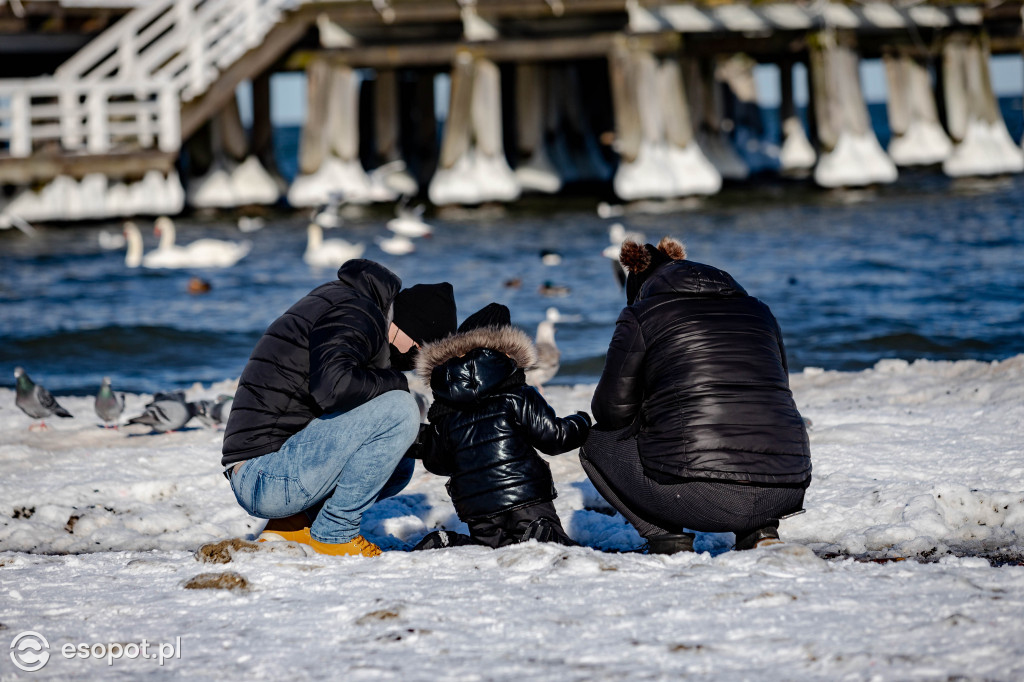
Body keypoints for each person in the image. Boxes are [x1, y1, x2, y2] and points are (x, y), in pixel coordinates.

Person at [580, 238, 811, 554]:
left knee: (596, 442)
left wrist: (651, 410)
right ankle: (760, 531)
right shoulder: (760, 311)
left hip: (703, 497)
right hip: (785, 490)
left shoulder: (642, 314)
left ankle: (667, 538)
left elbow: (609, 411)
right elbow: (776, 389)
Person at [221, 260, 457, 557]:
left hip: (262, 469)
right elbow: (333, 387)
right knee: (401, 407)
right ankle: (334, 533)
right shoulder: (357, 313)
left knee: (400, 459)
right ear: (410, 330)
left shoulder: (352, 303)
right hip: (262, 476)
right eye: (418, 352)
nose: (412, 362)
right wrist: (396, 381)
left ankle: (292, 524)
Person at [409, 303, 591, 550]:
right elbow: (554, 438)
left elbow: (437, 462)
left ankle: (450, 543)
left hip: (475, 506)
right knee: (554, 543)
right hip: (525, 497)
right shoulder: (517, 394)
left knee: (488, 548)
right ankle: (540, 533)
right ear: (507, 348)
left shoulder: (445, 407)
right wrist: (582, 421)